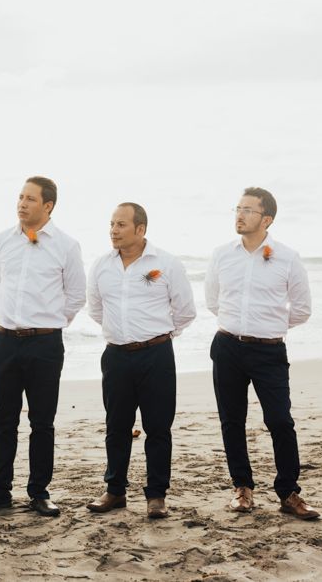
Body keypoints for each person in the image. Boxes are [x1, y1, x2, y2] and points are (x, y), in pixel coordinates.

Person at [0, 176, 86, 517]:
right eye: (20, 197)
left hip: (45, 344)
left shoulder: (66, 245)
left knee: (42, 422)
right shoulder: (3, 241)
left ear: (47, 206)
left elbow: (76, 295)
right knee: (3, 420)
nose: (21, 203)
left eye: (30, 199)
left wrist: (47, 322)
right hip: (4, 341)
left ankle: (39, 492)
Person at [205, 186, 319, 519]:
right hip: (227, 347)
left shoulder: (287, 257)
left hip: (269, 351)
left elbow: (301, 309)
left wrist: (268, 325)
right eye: (237, 208)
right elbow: (214, 300)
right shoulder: (221, 254)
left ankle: (288, 492)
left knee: (281, 421)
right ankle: (242, 487)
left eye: (248, 210)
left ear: (266, 218)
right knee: (232, 421)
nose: (239, 215)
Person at [86, 203, 195, 518]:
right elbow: (96, 308)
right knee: (116, 426)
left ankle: (156, 495)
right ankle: (115, 491)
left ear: (141, 229)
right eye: (111, 224)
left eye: (121, 224)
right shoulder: (101, 266)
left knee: (158, 427)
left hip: (156, 355)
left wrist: (158, 337)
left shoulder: (167, 264)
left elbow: (185, 310)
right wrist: (121, 333)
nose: (114, 230)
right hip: (116, 356)